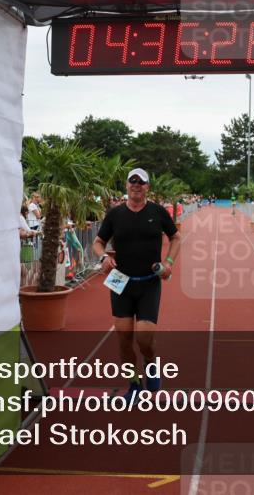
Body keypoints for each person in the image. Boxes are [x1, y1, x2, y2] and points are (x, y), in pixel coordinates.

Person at [93, 168, 180, 399]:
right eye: (133, 181)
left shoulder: (157, 212)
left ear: (147, 187)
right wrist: (104, 257)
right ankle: (133, 385)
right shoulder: (115, 214)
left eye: (141, 182)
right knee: (123, 340)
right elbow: (98, 242)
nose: (136, 185)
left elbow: (175, 237)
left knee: (144, 338)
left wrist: (169, 261)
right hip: (120, 282)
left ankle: (151, 364)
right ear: (127, 185)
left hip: (149, 282)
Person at [19, 203, 40, 287]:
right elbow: (27, 230)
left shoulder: (19, 217)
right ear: (25, 212)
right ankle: (23, 289)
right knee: (24, 271)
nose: (28, 215)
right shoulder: (20, 218)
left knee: (24, 271)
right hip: (20, 247)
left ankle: (23, 288)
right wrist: (36, 232)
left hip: (20, 245)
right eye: (27, 212)